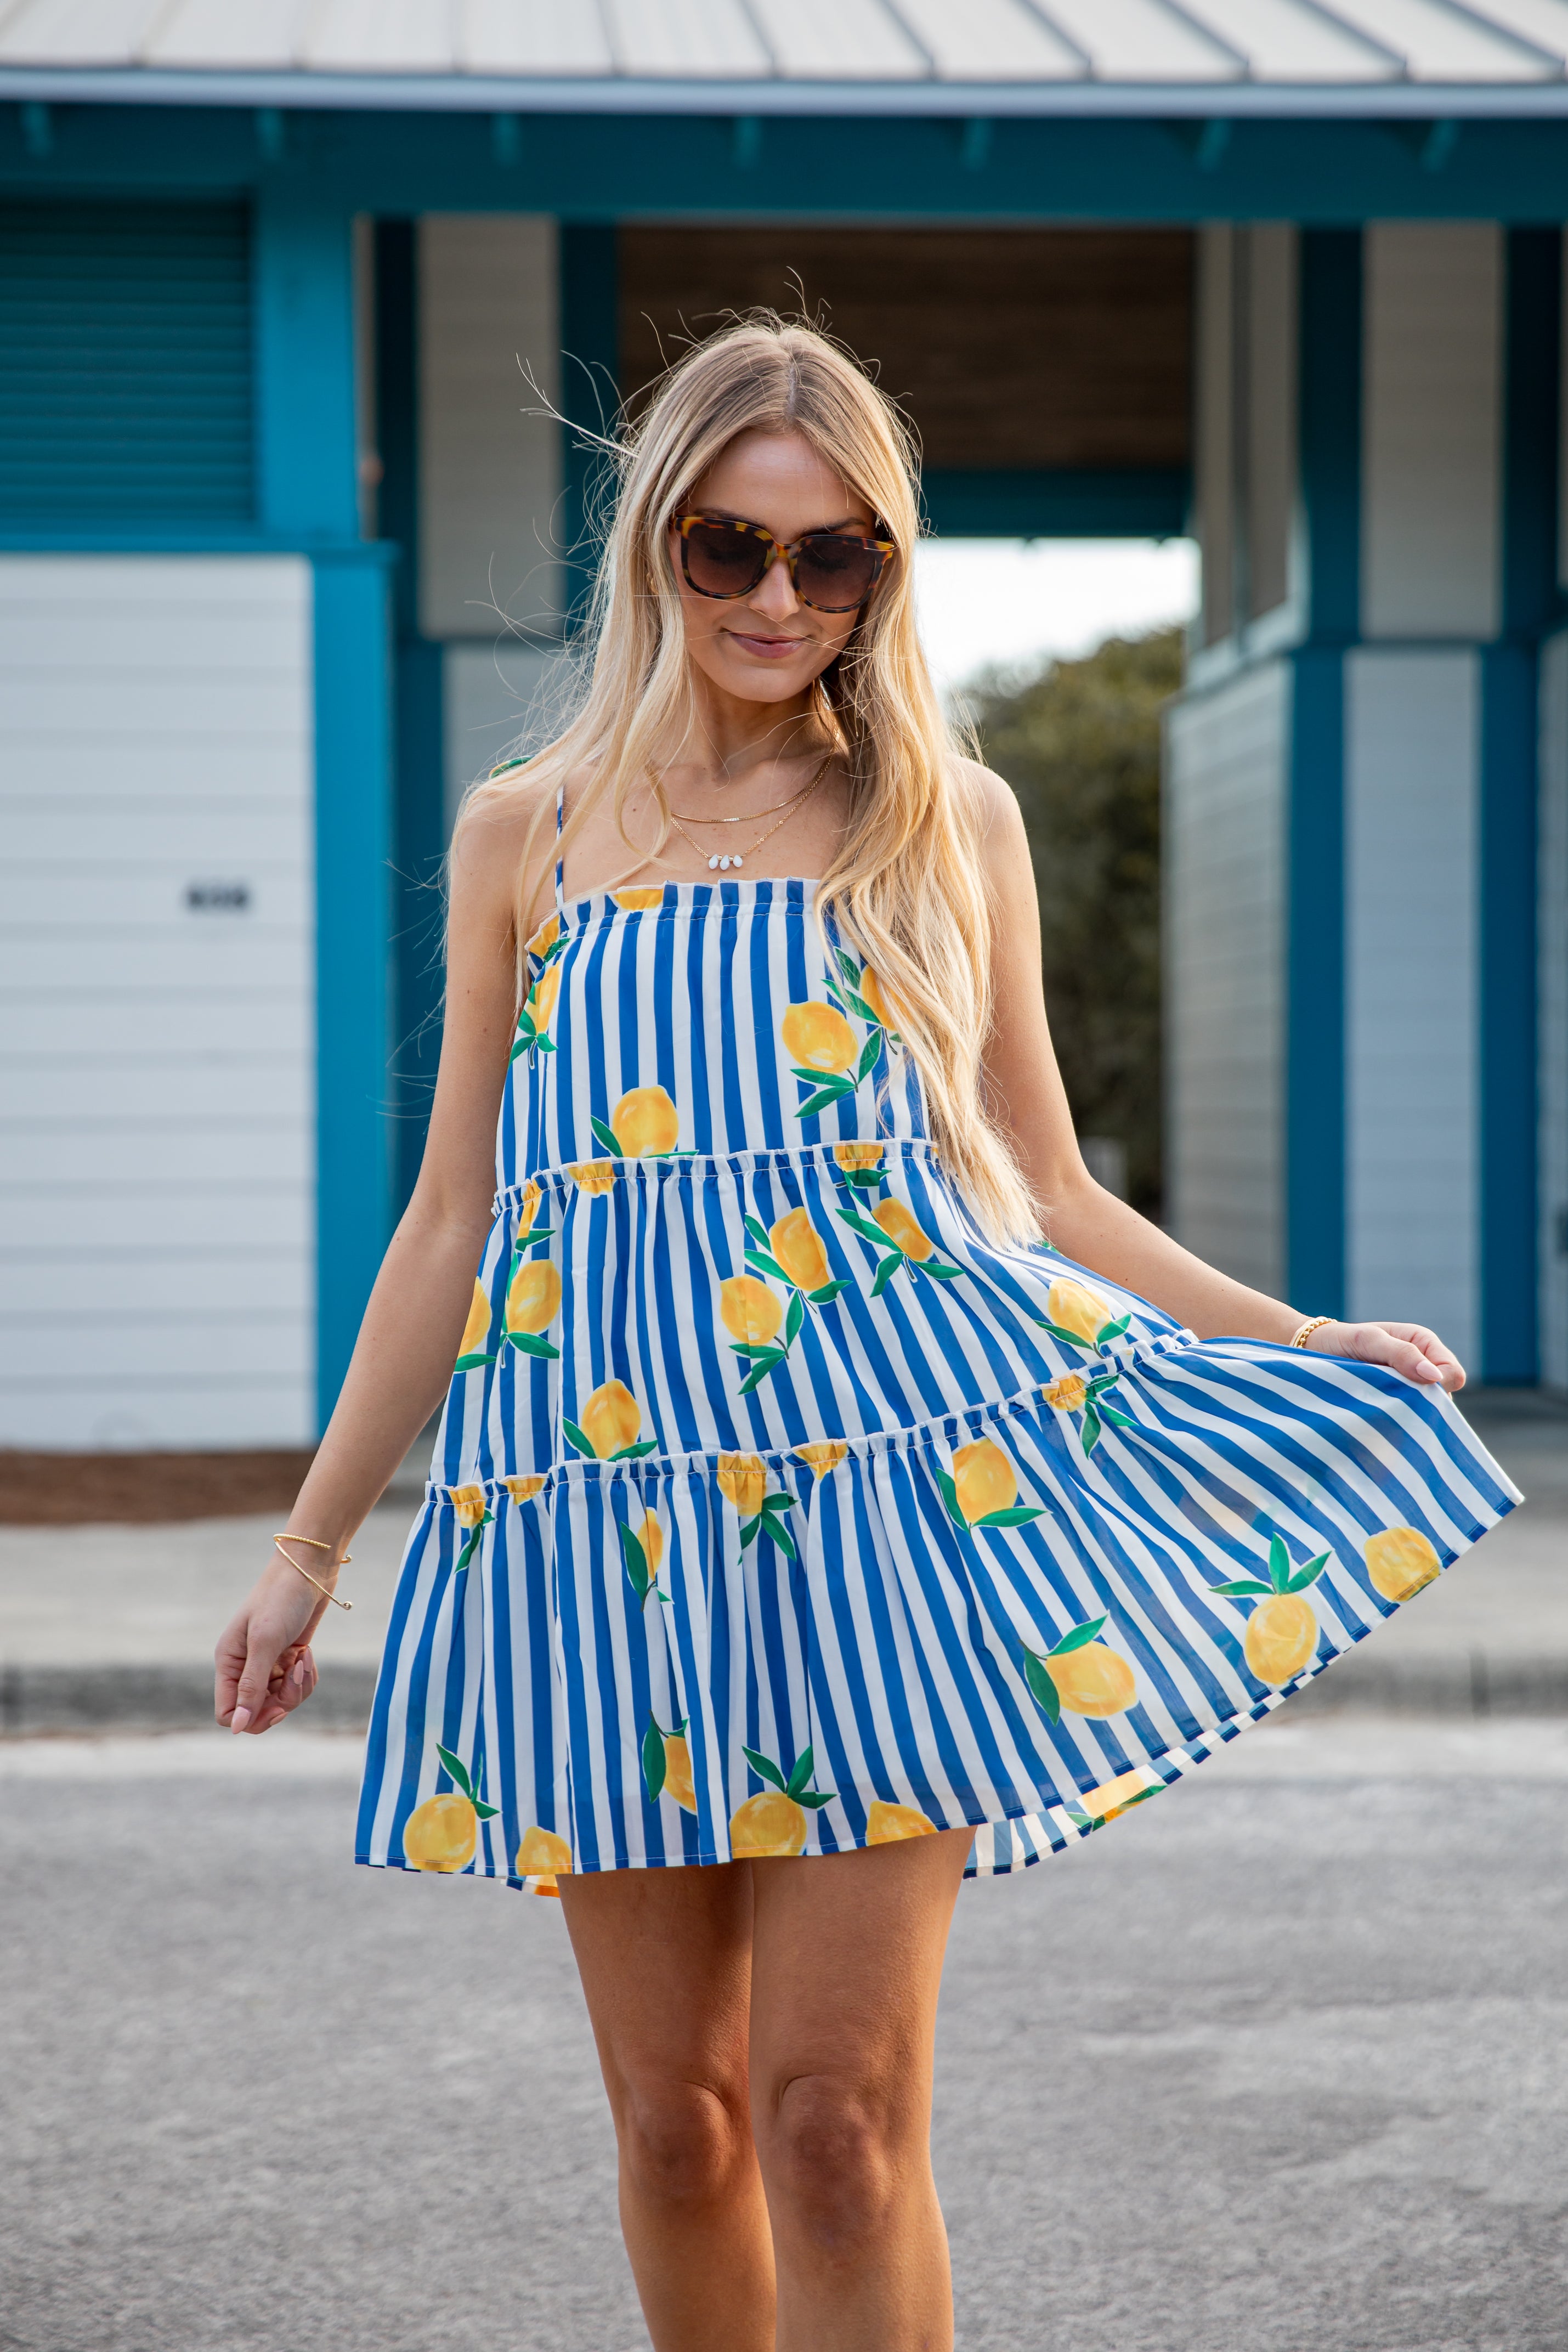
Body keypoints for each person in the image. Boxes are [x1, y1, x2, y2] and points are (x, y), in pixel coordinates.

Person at [216, 319, 1518, 2352]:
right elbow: (453, 1223)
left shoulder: (943, 823)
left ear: (884, 580)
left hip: (882, 1521)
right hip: (602, 1523)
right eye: (730, 547)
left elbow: (1050, 1189)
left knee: (834, 2124)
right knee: (680, 2127)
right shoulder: (523, 837)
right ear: (655, 544)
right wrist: (306, 1556)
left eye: (837, 563)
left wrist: (1297, 1333)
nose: (775, 600)